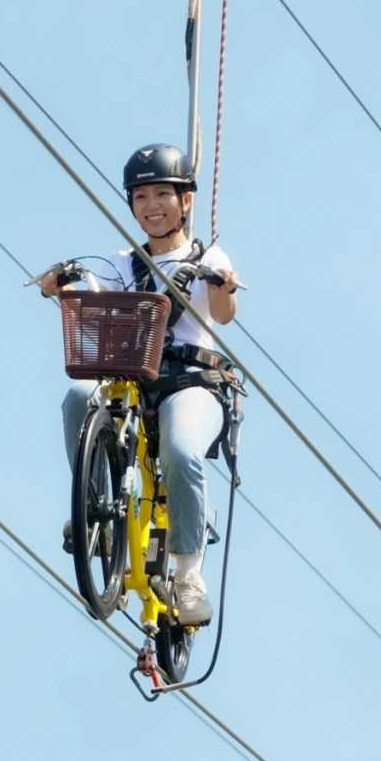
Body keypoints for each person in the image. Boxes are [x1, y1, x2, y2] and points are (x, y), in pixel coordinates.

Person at [40, 143, 242, 624]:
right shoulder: (121, 263)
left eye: (161, 195)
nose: (151, 206)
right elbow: (90, 296)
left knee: (181, 449)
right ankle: (96, 509)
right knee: (76, 396)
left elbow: (224, 314)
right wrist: (60, 286)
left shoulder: (206, 254)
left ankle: (189, 574)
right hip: (130, 377)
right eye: (141, 197)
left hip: (191, 381)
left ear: (184, 201)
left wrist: (221, 284)